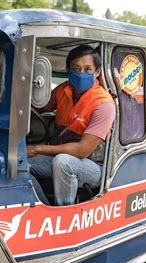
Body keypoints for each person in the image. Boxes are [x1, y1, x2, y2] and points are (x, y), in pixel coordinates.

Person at [27, 45, 116, 206]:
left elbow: (83, 150)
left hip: (95, 167)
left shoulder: (103, 104)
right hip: (59, 157)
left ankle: (65, 211)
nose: (81, 73)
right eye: (76, 68)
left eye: (87, 69)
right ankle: (44, 206)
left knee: (63, 162)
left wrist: (37, 149)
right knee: (20, 163)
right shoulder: (63, 90)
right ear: (68, 69)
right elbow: (39, 105)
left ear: (97, 72)